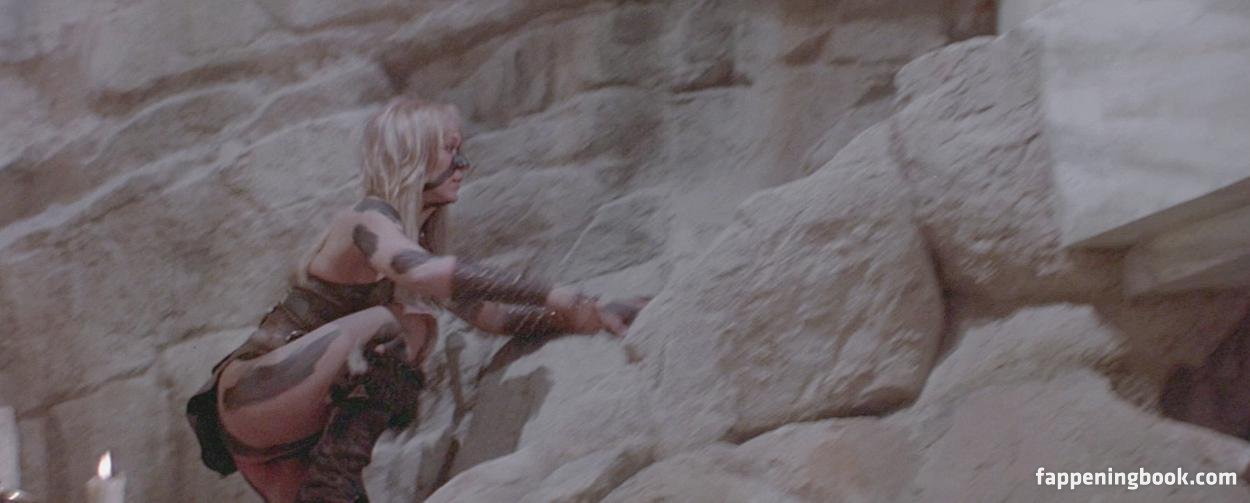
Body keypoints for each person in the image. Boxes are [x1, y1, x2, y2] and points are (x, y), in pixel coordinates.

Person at [186, 97, 648, 503]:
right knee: (409, 324)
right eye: (449, 148)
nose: (463, 163)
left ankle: (334, 484)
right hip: (256, 392)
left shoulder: (410, 239)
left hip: (280, 435)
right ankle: (334, 485)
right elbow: (423, 272)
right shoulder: (368, 217)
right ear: (412, 153)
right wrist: (558, 293)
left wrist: (586, 315)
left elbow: (493, 316)